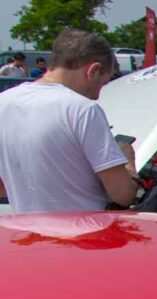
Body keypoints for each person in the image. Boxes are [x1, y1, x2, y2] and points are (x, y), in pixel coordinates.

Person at [0, 29, 137, 212]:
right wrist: (127, 160)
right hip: (80, 233)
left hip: (27, 234)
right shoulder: (83, 110)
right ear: (93, 70)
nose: (97, 95)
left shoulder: (4, 102)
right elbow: (122, 194)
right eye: (102, 83)